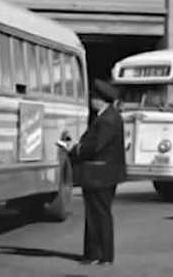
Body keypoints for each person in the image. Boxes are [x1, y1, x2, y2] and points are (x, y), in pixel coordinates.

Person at [67, 79, 126, 266]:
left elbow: (95, 147)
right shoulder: (107, 116)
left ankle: (101, 255)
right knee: (97, 214)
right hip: (101, 174)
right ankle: (95, 254)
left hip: (99, 174)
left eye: (92, 98)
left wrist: (73, 149)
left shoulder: (107, 120)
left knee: (99, 214)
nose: (90, 101)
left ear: (99, 100)